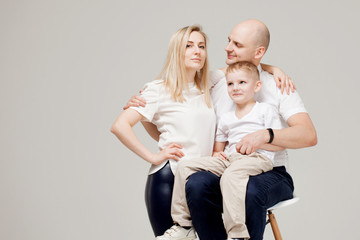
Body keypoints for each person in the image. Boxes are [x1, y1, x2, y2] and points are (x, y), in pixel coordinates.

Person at [124, 19, 317, 240]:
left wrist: (266, 135)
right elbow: (175, 90)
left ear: (259, 51)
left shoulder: (277, 84)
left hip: (270, 171)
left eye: (237, 44)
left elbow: (308, 135)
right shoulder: (219, 81)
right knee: (196, 183)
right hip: (227, 166)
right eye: (228, 41)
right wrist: (143, 102)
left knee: (249, 189)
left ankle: (240, 237)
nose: (227, 48)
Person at [156, 61, 286, 240]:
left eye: (242, 83)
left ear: (257, 86)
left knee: (231, 176)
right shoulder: (226, 118)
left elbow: (280, 144)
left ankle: (238, 234)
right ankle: (184, 225)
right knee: (185, 167)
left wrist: (259, 142)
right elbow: (218, 149)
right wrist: (218, 155)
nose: (235, 88)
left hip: (257, 158)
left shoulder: (264, 110)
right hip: (230, 159)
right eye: (231, 83)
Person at [110, 25, 216, 237]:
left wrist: (275, 70)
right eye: (189, 46)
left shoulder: (212, 83)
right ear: (177, 51)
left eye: (201, 46)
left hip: (202, 182)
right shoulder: (158, 89)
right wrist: (154, 156)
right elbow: (119, 126)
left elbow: (248, 68)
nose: (197, 51)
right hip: (169, 180)